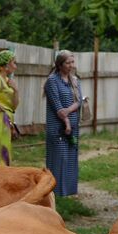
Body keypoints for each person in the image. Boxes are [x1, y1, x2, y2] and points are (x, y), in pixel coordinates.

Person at [44, 50, 85, 198]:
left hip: (72, 128)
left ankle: (69, 191)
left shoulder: (75, 80)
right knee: (59, 158)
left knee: (71, 159)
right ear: (60, 65)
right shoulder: (52, 81)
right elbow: (58, 107)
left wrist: (68, 111)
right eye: (68, 63)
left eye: (72, 62)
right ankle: (55, 192)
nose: (71, 65)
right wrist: (66, 122)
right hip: (58, 128)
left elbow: (79, 101)